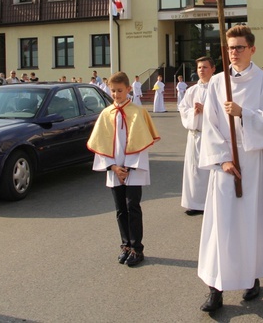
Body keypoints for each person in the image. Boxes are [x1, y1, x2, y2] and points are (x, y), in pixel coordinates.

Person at [197, 25, 263, 313]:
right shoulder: (217, 83)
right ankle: (215, 288)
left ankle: (251, 277)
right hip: (225, 164)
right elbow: (210, 125)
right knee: (221, 227)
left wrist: (244, 114)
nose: (234, 53)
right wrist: (223, 158)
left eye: (239, 47)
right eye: (230, 48)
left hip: (254, 162)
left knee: (252, 223)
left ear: (252, 49)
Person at [88, 72, 161, 268]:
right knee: (120, 209)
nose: (116, 94)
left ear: (128, 89)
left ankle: (137, 248)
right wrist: (113, 167)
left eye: (120, 91)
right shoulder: (106, 114)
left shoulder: (138, 112)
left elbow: (142, 142)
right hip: (114, 169)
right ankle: (125, 245)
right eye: (113, 91)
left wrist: (127, 167)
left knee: (133, 207)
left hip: (133, 169)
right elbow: (101, 143)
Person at [178, 56, 215, 215]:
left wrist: (205, 109)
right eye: (199, 67)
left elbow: (224, 113)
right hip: (195, 135)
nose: (202, 70)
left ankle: (212, 203)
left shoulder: (218, 89)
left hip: (212, 136)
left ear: (213, 69)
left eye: (205, 67)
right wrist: (194, 112)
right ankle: (195, 203)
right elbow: (183, 109)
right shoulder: (192, 90)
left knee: (211, 170)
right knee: (194, 171)